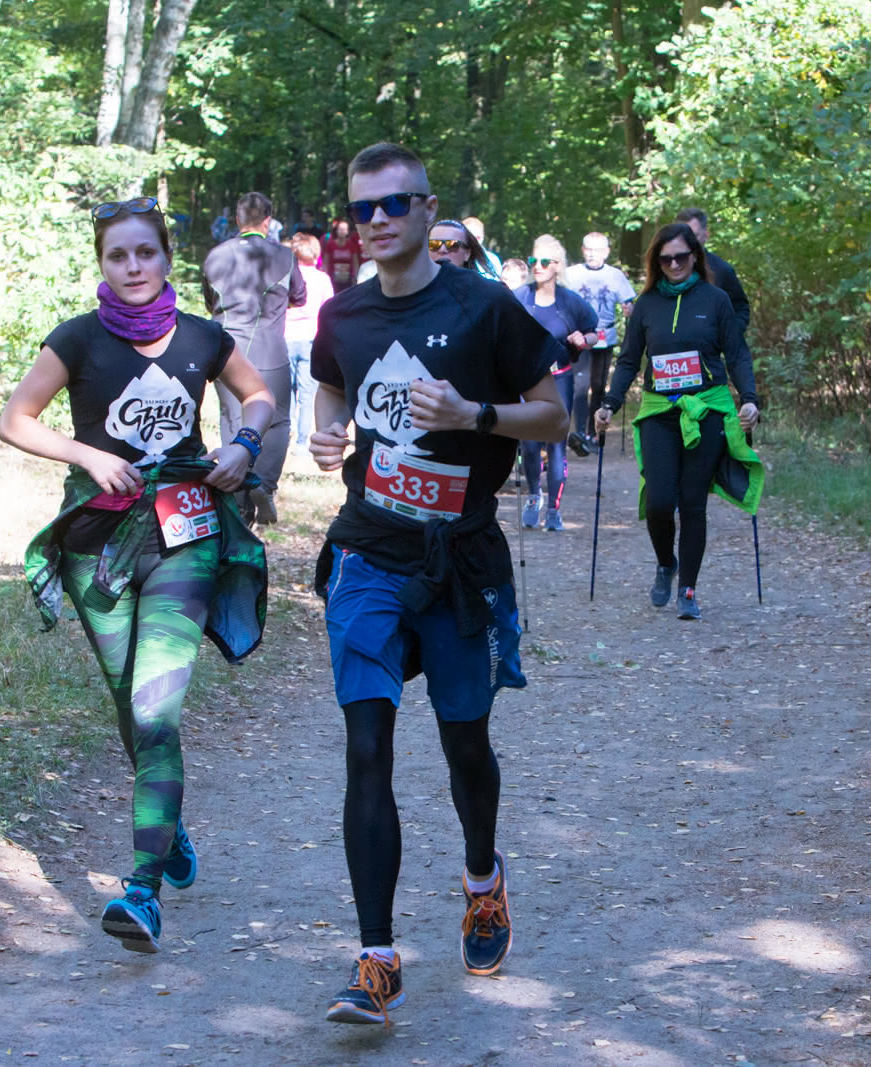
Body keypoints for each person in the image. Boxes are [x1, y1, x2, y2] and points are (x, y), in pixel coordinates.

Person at [307, 142, 568, 1025]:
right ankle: (377, 959)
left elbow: (555, 413)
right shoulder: (341, 316)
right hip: (368, 555)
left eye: (394, 204)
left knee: (465, 744)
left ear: (427, 211)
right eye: (362, 210)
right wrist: (327, 433)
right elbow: (330, 390)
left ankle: (483, 875)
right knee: (367, 749)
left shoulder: (485, 307)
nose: (376, 221)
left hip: (459, 559)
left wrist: (473, 415)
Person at [0, 196, 274, 953]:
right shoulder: (77, 340)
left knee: (156, 709)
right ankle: (168, 824)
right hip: (98, 541)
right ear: (102, 264)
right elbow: (15, 418)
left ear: (166, 259)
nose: (132, 267)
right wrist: (86, 454)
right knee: (130, 704)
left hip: (186, 533)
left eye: (144, 253)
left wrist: (244, 444)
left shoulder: (202, 337)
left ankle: (143, 889)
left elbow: (258, 392)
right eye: (117, 256)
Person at [593, 221, 763, 620]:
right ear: (656, 261)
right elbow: (631, 359)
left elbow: (736, 354)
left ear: (695, 256)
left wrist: (750, 399)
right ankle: (665, 562)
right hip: (659, 412)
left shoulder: (716, 300)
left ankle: (688, 589)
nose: (673, 264)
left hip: (706, 408)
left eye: (681, 257)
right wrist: (609, 404)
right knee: (659, 501)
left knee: (691, 503)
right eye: (665, 258)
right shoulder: (647, 304)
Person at [203, 192, 307, 525]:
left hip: (225, 349)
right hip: (269, 348)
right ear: (268, 221)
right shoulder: (284, 256)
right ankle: (264, 483)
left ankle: (237, 497)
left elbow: (210, 302)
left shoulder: (215, 255)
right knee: (276, 420)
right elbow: (300, 296)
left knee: (233, 419)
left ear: (237, 220)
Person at [513, 235, 598, 531]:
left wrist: (582, 340)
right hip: (527, 380)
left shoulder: (570, 302)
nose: (537, 267)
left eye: (544, 262)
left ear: (557, 266)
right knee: (530, 445)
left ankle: (553, 509)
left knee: (557, 445)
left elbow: (593, 332)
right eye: (533, 261)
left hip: (559, 378)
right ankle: (534, 496)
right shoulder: (519, 297)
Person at [564, 232, 636, 449]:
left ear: (606, 252)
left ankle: (593, 433)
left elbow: (630, 303)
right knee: (579, 386)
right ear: (583, 250)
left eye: (598, 249)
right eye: (589, 249)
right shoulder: (571, 273)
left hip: (605, 336)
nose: (592, 254)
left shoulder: (615, 275)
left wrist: (629, 310)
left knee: (597, 385)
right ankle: (579, 434)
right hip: (580, 337)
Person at [285, 231, 334, 450]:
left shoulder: (287, 278)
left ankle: (287, 429)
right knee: (307, 392)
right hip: (311, 340)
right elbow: (329, 309)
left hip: (286, 337)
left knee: (286, 389)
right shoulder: (323, 279)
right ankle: (302, 441)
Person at [676, 208, 749, 338]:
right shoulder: (665, 268)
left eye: (694, 235)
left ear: (706, 235)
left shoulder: (722, 270)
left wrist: (729, 335)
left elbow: (740, 309)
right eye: (682, 237)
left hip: (709, 352)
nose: (687, 242)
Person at [427, 218, 497, 278]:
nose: (442, 250)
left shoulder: (490, 291)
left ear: (467, 254)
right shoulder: (416, 288)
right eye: (434, 244)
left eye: (453, 245)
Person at [323, 217, 364, 292]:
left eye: (345, 229)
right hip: (333, 280)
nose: (342, 231)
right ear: (336, 231)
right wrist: (325, 277)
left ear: (347, 231)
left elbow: (355, 262)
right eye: (340, 229)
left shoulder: (351, 245)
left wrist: (355, 277)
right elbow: (325, 262)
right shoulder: (330, 244)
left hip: (348, 280)